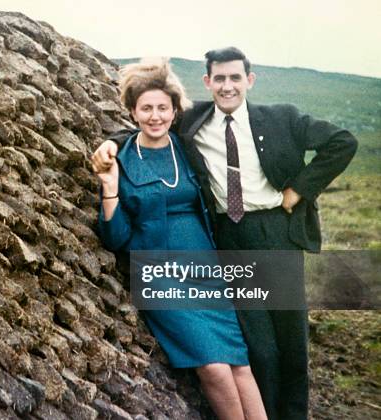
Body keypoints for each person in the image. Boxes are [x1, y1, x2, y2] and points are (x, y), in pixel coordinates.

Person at [92, 47, 358, 420]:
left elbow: (343, 142)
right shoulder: (181, 130)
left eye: (235, 77)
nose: (227, 85)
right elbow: (141, 133)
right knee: (246, 354)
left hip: (259, 240)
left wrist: (298, 190)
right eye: (220, 78)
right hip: (199, 254)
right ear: (207, 82)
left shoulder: (266, 120)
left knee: (276, 350)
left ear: (250, 80)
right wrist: (112, 157)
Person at [95, 57, 267, 420]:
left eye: (163, 108)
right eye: (146, 109)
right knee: (214, 368)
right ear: (132, 112)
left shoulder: (187, 148)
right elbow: (116, 237)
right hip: (160, 275)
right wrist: (110, 188)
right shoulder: (122, 159)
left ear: (175, 111)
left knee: (240, 365)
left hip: (206, 270)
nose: (155, 116)